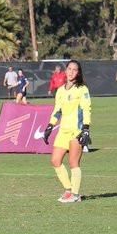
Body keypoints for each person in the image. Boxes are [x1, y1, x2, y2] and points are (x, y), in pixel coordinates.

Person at [42, 60, 92, 203]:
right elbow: (57, 111)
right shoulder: (60, 90)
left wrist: (86, 129)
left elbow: (86, 109)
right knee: (55, 161)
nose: (71, 72)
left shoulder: (82, 89)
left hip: (77, 130)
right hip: (63, 131)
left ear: (78, 72)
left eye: (74, 70)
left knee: (73, 162)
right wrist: (50, 126)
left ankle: (75, 195)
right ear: (65, 71)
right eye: (69, 69)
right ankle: (69, 190)